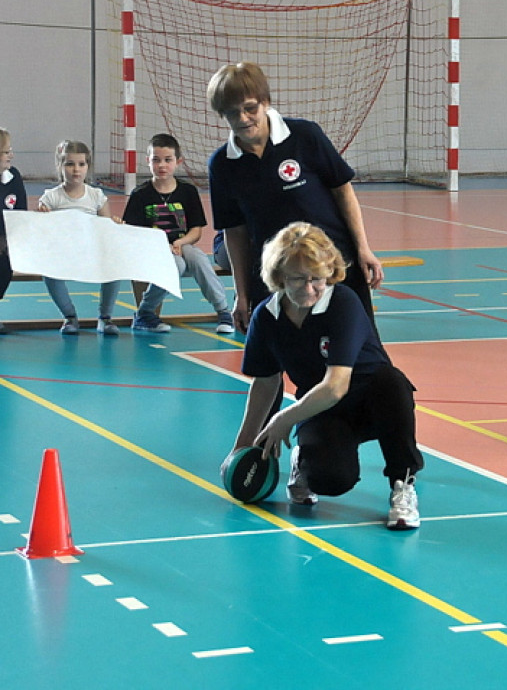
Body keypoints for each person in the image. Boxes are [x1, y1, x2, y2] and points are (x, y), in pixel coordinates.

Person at [223, 221, 422, 529]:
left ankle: (403, 485)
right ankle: (304, 461)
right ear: (279, 276)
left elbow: (335, 386)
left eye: (316, 279)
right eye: (297, 279)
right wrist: (242, 446)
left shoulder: (343, 303)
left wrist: (283, 419)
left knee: (393, 384)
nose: (309, 288)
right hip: (320, 409)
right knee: (331, 480)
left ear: (329, 273)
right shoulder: (266, 316)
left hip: (372, 404)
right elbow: (265, 381)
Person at [206, 61, 383, 334]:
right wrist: (241, 294)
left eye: (250, 108)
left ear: (265, 102)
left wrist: (363, 248)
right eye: (232, 112)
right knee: (280, 352)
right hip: (275, 275)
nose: (243, 118)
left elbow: (343, 190)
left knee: (355, 346)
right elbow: (235, 232)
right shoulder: (222, 164)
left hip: (333, 265)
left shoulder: (305, 136)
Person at [123, 133, 234, 334]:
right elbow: (134, 234)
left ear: (178, 162)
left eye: (168, 160)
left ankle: (223, 311)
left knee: (198, 258)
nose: (162, 165)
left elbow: (196, 230)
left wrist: (180, 243)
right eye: (156, 160)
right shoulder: (140, 194)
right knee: (177, 265)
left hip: (182, 247)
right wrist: (162, 247)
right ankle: (144, 313)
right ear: (148, 161)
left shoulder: (188, 192)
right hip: (153, 252)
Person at [37, 141, 121, 336]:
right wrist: (42, 218)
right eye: (70, 164)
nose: (76, 169)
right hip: (63, 254)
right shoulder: (51, 197)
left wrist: (114, 224)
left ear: (87, 167)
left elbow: (106, 229)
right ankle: (70, 316)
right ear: (60, 166)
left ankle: (105, 318)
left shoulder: (96, 196)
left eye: (81, 164)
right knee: (49, 273)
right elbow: (42, 232)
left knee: (115, 268)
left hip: (91, 253)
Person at [0, 128, 28, 335]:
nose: (11, 155)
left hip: (5, 244)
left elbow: (20, 212)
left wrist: (9, 240)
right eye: (6, 152)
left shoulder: (13, 177)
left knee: (4, 267)